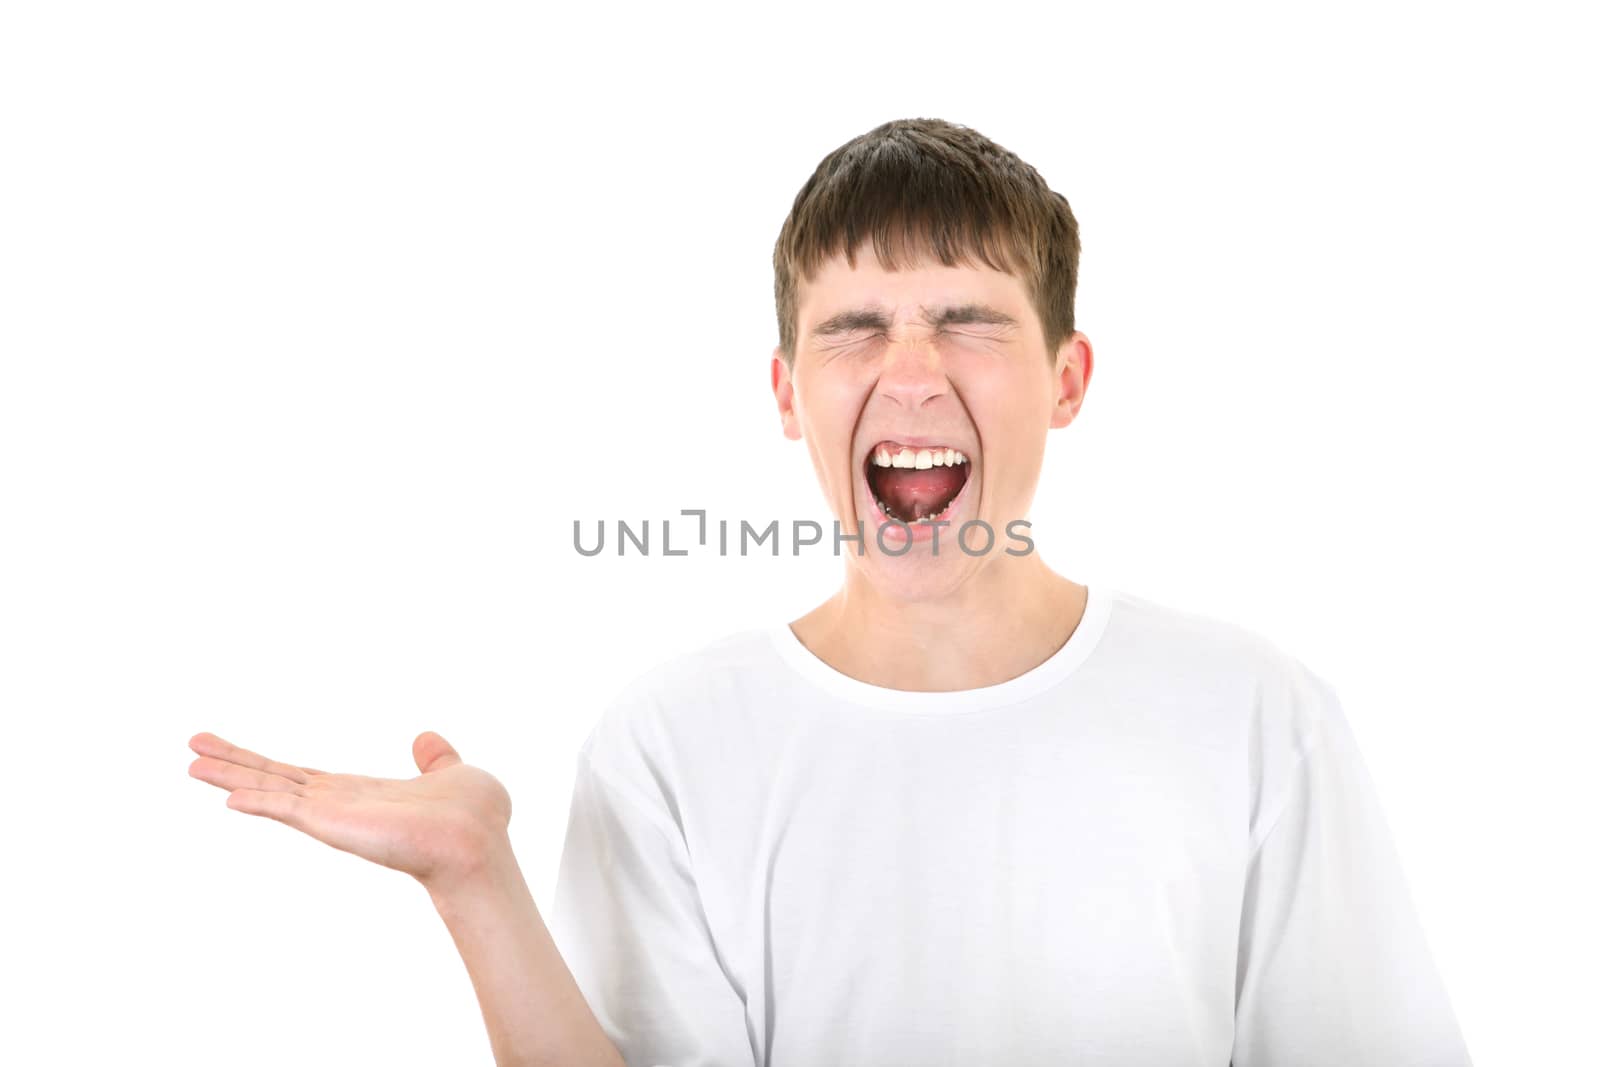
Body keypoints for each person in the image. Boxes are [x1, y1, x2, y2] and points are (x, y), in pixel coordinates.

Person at [188, 117, 1473, 1066]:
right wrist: (475, 882)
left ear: (1068, 378)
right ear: (787, 391)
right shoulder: (670, 742)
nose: (908, 373)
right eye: (853, 328)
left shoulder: (1254, 713)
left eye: (967, 318)